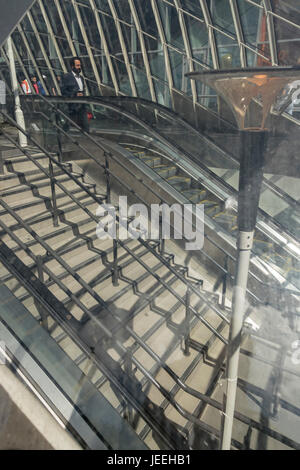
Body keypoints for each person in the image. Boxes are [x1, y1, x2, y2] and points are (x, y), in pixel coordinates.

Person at [61, 57, 89, 132]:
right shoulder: (67, 77)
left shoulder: (81, 78)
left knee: (85, 125)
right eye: (77, 65)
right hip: (72, 106)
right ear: (72, 66)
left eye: (80, 65)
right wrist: (75, 94)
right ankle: (63, 135)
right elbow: (63, 91)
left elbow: (83, 90)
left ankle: (86, 137)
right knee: (68, 123)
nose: (79, 67)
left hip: (81, 105)